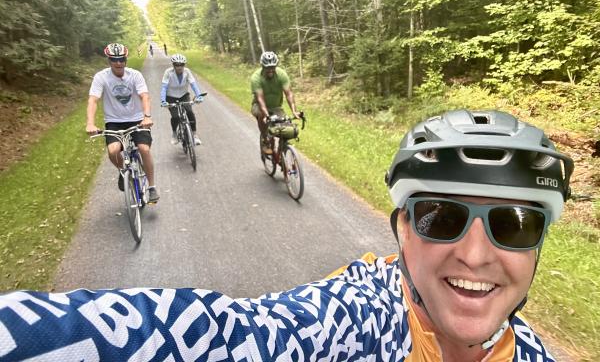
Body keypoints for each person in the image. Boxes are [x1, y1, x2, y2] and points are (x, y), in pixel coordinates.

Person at [0, 110, 572, 361]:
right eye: (441, 217)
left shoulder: (537, 355)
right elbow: (221, 336)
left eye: (514, 224)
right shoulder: (354, 321)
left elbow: (289, 96)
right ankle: (268, 156)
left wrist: (293, 111)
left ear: (541, 243)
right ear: (402, 227)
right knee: (256, 131)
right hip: (251, 108)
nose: (474, 254)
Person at [85, 42, 159, 203]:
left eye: (121, 59)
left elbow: (144, 96)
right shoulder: (101, 77)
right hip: (114, 122)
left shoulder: (135, 75)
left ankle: (152, 187)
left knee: (144, 149)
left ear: (125, 59)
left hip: (138, 120)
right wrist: (90, 123)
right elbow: (93, 100)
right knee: (113, 151)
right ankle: (122, 171)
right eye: (114, 59)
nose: (118, 63)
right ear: (109, 60)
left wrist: (147, 116)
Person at [251, 51, 300, 154]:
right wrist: (266, 115)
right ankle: (265, 140)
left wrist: (294, 111)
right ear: (262, 66)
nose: (270, 70)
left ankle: (282, 153)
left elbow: (289, 94)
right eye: (267, 68)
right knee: (261, 115)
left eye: (273, 67)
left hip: (276, 107)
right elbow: (260, 99)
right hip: (259, 106)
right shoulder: (256, 78)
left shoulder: (281, 74)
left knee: (285, 126)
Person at [160, 53, 205, 145]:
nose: (179, 67)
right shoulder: (168, 72)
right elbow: (164, 87)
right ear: (173, 65)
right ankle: (174, 134)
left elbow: (193, 85)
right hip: (171, 97)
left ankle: (195, 135)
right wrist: (163, 100)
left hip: (184, 95)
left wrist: (199, 95)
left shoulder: (187, 72)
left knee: (190, 112)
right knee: (175, 116)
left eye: (182, 65)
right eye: (177, 65)